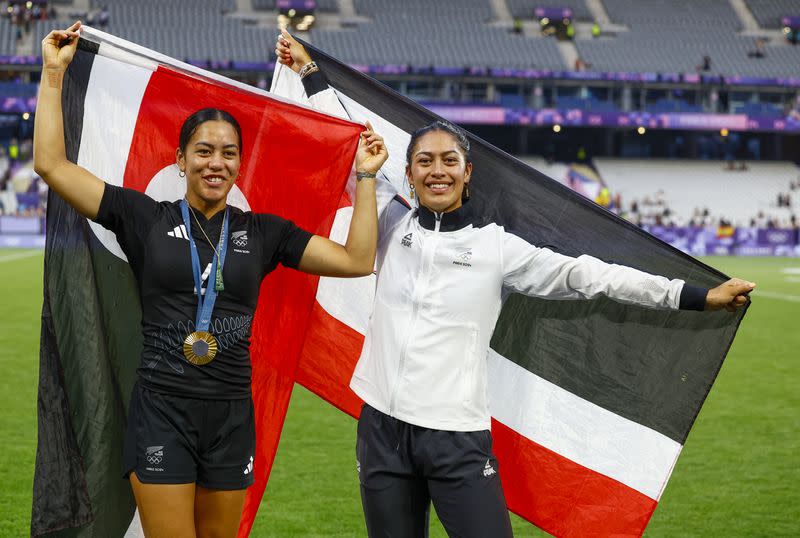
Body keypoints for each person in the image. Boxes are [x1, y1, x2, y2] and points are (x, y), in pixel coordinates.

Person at [276, 32, 756, 537]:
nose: (437, 170)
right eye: (424, 161)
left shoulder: (497, 248)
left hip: (456, 437)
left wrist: (697, 295)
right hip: (381, 430)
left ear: (467, 173)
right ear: (410, 175)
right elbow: (350, 139)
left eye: (448, 161)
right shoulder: (390, 222)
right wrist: (311, 72)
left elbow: (590, 277)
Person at [35, 22, 388, 538]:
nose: (215, 162)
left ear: (241, 165)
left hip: (229, 418)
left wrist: (365, 177)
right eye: (203, 150)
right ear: (180, 161)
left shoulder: (264, 233)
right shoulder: (144, 218)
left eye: (227, 153)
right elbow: (51, 163)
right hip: (161, 410)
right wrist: (51, 75)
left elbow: (357, 259)